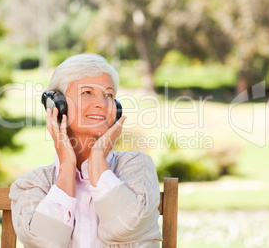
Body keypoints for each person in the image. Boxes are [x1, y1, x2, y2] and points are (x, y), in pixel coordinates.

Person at [9, 54, 162, 248]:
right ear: (58, 106)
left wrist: (97, 159)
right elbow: (44, 244)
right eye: (87, 92)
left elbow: (127, 226)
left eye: (108, 94)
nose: (102, 103)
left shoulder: (138, 167)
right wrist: (67, 168)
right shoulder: (31, 185)